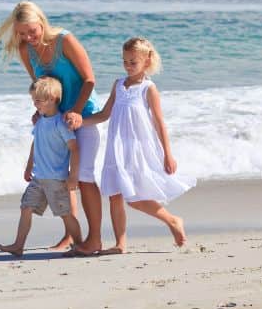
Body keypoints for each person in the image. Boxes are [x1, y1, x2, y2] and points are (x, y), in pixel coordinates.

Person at [0, 1, 103, 254]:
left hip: (82, 114)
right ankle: (70, 238)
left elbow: (89, 79)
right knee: (61, 177)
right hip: (55, 120)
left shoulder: (65, 40)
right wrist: (39, 111)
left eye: (32, 31)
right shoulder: (25, 49)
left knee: (83, 178)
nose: (28, 37)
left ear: (42, 23)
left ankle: (94, 239)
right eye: (22, 33)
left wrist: (76, 111)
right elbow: (41, 84)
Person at [80, 37, 194, 253]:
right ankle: (120, 244)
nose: (128, 66)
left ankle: (173, 221)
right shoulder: (119, 85)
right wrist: (80, 121)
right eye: (125, 61)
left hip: (137, 149)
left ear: (146, 61)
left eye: (133, 62)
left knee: (134, 198)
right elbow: (105, 114)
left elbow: (159, 123)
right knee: (114, 195)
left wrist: (168, 154)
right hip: (116, 148)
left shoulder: (148, 88)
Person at [0, 77, 83, 256]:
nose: (35, 104)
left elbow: (74, 149)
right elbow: (35, 143)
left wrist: (73, 176)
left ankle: (80, 245)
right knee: (26, 207)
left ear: (52, 98)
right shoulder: (41, 121)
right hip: (38, 177)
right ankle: (18, 245)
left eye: (38, 100)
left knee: (65, 214)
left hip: (56, 179)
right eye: (33, 100)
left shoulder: (61, 123)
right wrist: (29, 166)